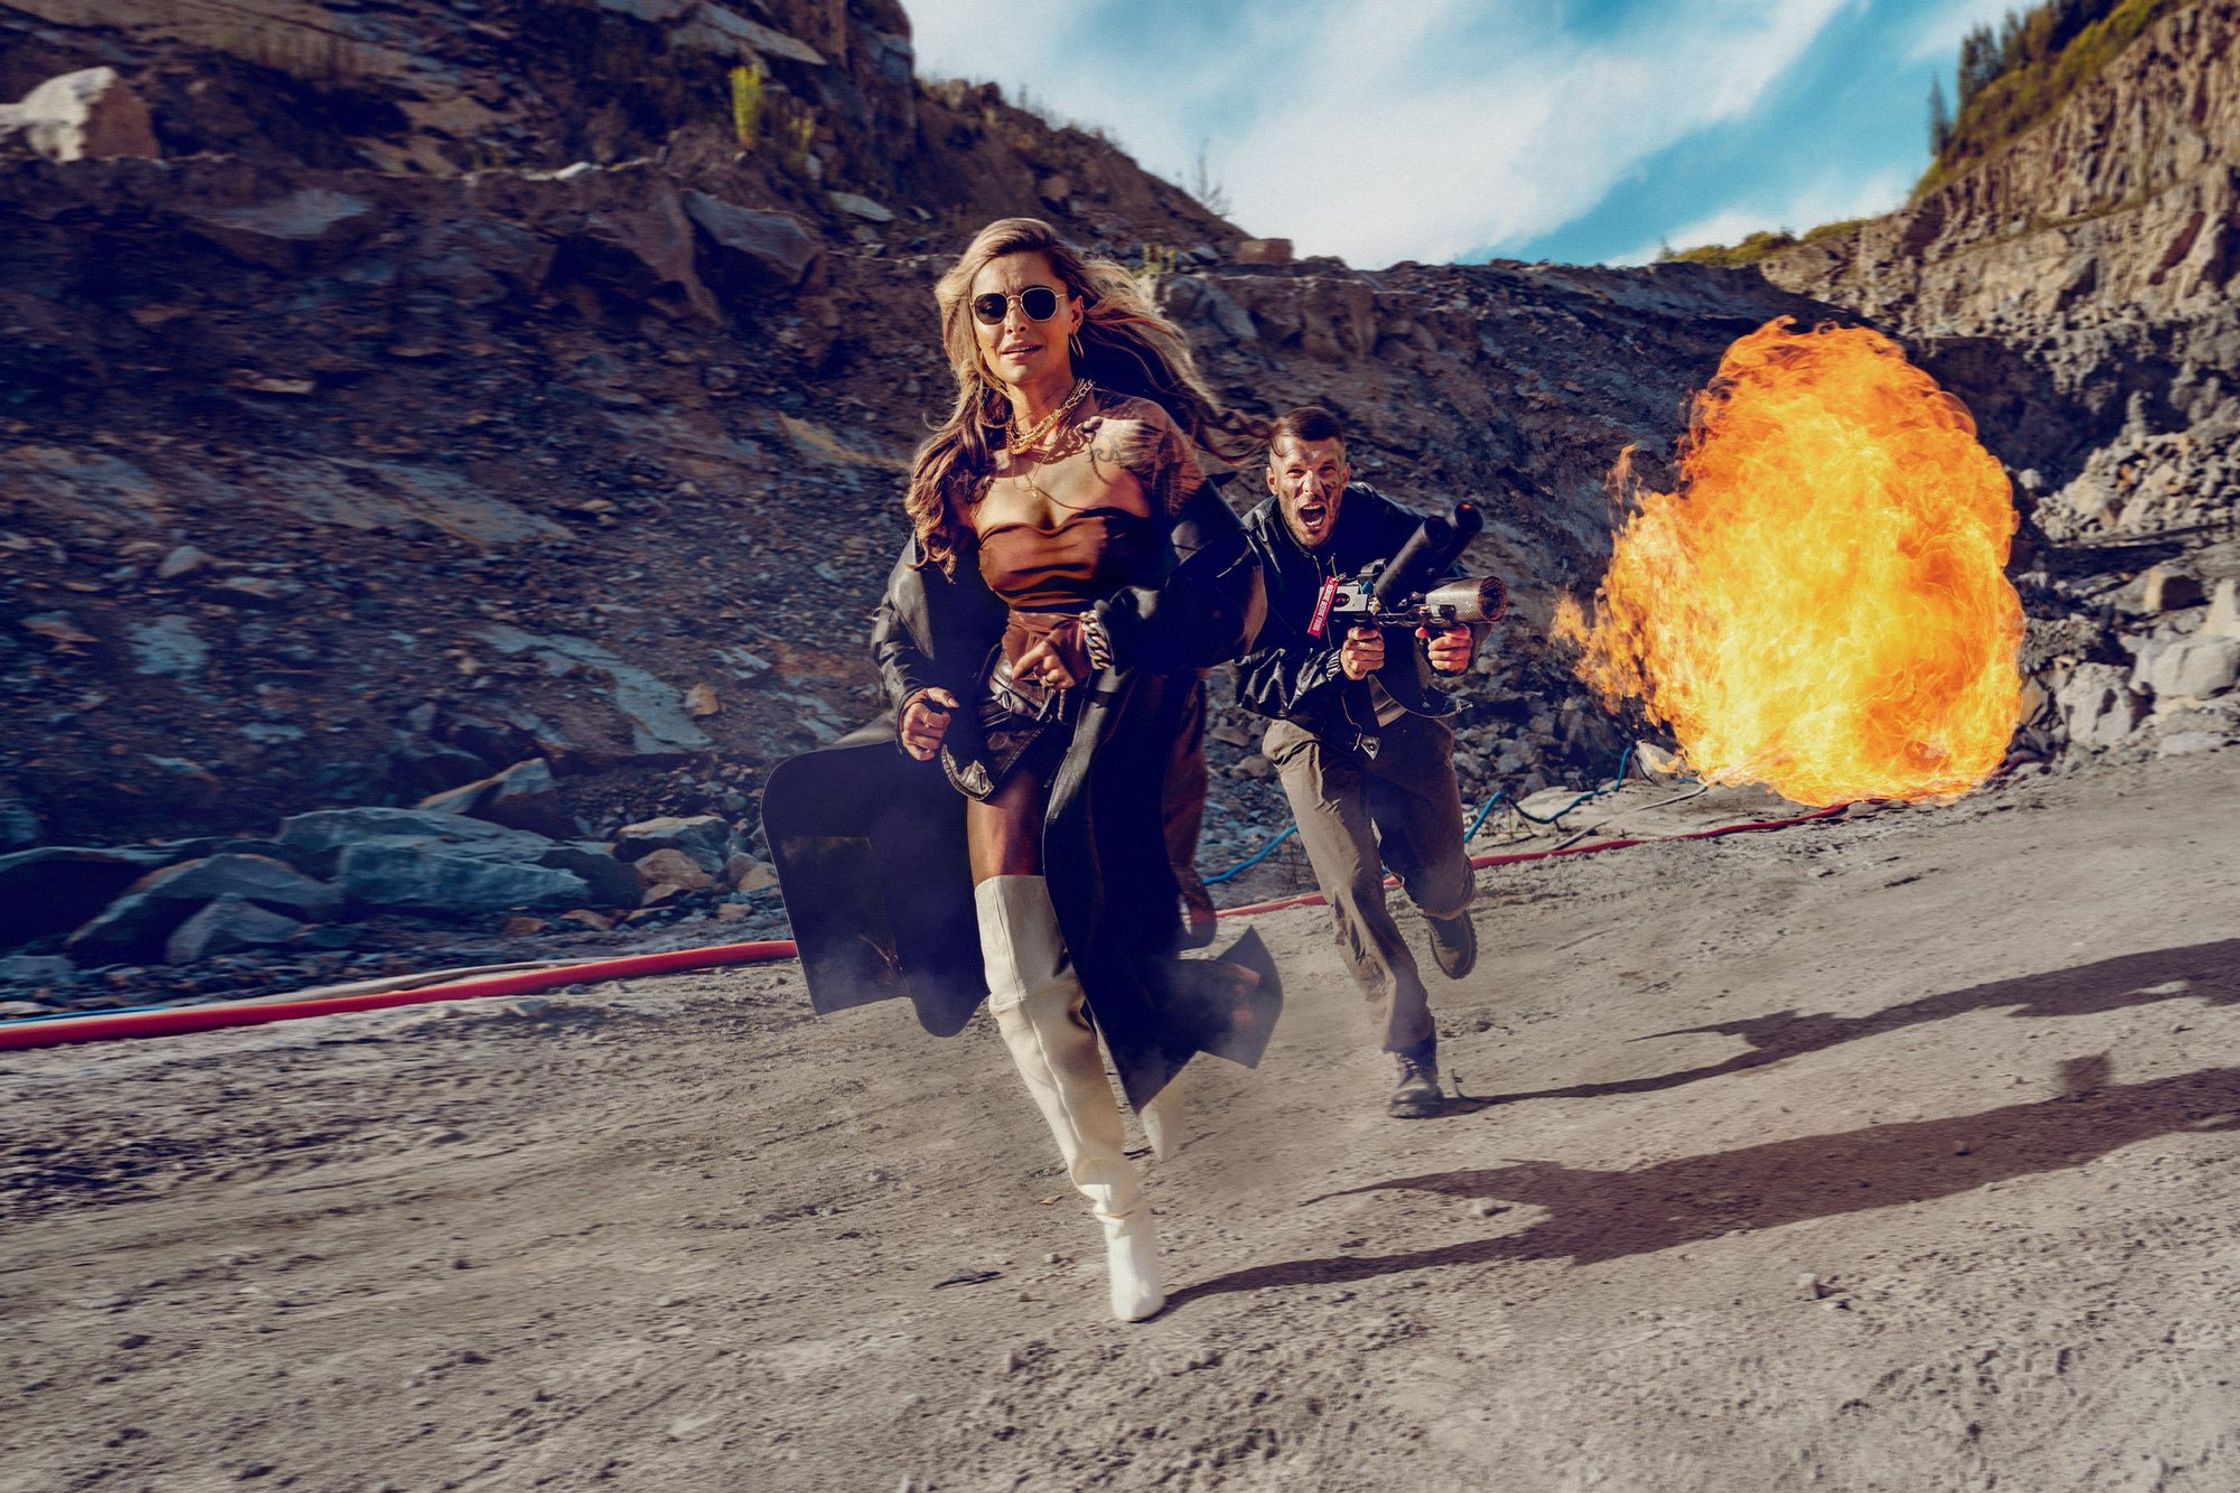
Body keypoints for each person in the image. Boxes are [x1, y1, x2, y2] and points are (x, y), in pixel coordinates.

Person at [760, 218, 1272, 1323]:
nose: (1013, 322)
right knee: (1016, 979)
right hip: (1008, 725)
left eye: (1033, 299)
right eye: (989, 307)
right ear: (969, 331)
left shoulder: (1138, 438)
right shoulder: (962, 470)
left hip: (1129, 709)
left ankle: (1193, 1027)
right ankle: (1118, 1212)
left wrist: (1126, 628)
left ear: (1072, 310)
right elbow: (899, 620)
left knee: (1115, 928)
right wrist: (918, 700)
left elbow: (1227, 573)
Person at [1232, 406, 1485, 1119]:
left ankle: (1449, 905)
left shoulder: (1387, 521)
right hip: (1311, 734)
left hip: (1402, 722)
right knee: (1351, 886)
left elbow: (1457, 596)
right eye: (1297, 473)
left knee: (1436, 879)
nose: (1314, 488)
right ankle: (1412, 1055)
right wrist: (1330, 665)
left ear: (1345, 473)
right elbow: (1250, 680)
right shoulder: (1249, 553)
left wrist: (1457, 644)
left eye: (1327, 471)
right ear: (1274, 478)